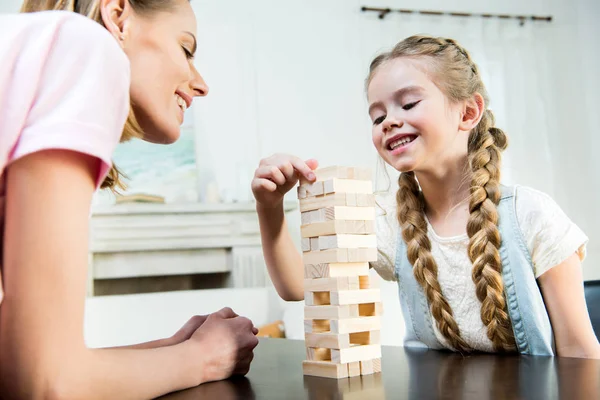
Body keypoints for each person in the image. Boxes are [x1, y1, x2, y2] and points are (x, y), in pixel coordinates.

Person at [252, 35, 600, 358]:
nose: (389, 121)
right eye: (378, 116)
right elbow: (298, 286)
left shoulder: (532, 215)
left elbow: (580, 354)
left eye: (408, 103)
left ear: (468, 112)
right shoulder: (388, 223)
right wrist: (270, 208)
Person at [0, 0, 258, 397]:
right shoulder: (84, 45)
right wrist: (205, 357)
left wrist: (174, 350)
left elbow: (17, 364)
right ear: (118, 15)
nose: (201, 83)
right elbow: (43, 384)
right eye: (186, 49)